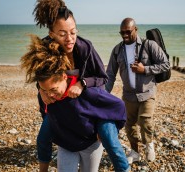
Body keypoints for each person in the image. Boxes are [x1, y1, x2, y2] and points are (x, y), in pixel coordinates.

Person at [32, 0, 129, 171]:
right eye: (62, 34)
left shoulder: (84, 48)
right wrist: (41, 90)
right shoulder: (45, 49)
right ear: (51, 33)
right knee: (43, 138)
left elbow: (102, 78)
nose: (69, 39)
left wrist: (82, 83)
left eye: (73, 32)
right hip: (63, 105)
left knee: (110, 140)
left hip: (93, 103)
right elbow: (40, 75)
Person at [105, 18, 170, 164]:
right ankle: (135, 152)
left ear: (136, 29)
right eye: (122, 32)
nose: (125, 35)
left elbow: (166, 64)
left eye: (128, 31)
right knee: (129, 125)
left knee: (145, 119)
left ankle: (149, 144)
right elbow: (110, 75)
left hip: (147, 92)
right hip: (128, 95)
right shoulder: (117, 50)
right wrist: (104, 94)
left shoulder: (149, 45)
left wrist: (144, 69)